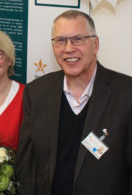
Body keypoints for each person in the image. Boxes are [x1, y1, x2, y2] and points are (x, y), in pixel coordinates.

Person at [15, 10, 132, 195]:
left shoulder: (127, 94)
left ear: (96, 44)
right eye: (60, 40)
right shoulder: (36, 92)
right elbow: (26, 166)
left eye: (78, 39)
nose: (68, 48)